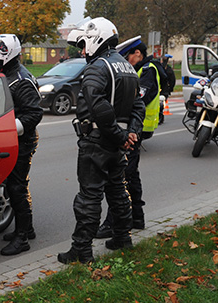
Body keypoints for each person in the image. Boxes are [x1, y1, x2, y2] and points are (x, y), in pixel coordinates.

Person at [58, 18, 145, 264]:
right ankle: (122, 237)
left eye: (84, 45)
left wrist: (120, 136)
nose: (83, 51)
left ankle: (82, 250)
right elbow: (138, 106)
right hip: (116, 143)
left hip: (97, 141)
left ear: (97, 39)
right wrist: (131, 135)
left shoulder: (98, 67)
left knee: (89, 196)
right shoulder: (126, 66)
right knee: (117, 190)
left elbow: (98, 106)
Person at [0, 32, 43, 256]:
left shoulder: (20, 80)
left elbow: (34, 114)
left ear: (6, 54)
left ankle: (22, 238)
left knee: (16, 187)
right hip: (12, 139)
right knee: (14, 185)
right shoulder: (8, 75)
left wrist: (8, 128)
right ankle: (27, 229)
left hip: (22, 141)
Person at [94, 35, 162, 239]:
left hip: (136, 128)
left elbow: (138, 98)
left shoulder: (147, 70)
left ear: (137, 54)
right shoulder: (139, 69)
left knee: (120, 178)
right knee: (131, 175)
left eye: (127, 56)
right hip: (136, 127)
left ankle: (113, 223)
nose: (125, 61)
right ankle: (137, 218)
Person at [159, 54, 176, 124]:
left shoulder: (160, 68)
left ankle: (160, 117)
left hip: (160, 89)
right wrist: (170, 89)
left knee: (159, 104)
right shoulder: (169, 69)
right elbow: (173, 80)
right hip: (165, 90)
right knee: (161, 104)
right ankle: (161, 117)